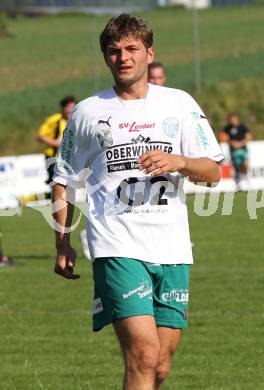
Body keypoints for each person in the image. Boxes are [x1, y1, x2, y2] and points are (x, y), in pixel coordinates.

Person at [52, 14, 223, 389]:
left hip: (172, 248)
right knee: (143, 355)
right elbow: (63, 179)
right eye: (114, 51)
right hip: (117, 245)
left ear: (149, 52)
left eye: (131, 49)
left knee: (160, 364)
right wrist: (62, 241)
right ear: (105, 58)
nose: (123, 58)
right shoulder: (87, 111)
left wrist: (179, 162)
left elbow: (213, 173)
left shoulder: (179, 103)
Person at [37, 95, 76, 185]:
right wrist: (55, 143)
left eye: (73, 107)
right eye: (68, 107)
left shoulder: (76, 120)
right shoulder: (55, 119)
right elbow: (40, 136)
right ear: (63, 108)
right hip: (53, 157)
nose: (70, 110)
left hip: (71, 158)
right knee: (56, 183)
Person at [222, 112, 252, 185]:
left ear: (237, 119)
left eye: (234, 119)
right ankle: (238, 183)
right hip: (233, 151)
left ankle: (245, 176)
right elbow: (224, 138)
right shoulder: (227, 128)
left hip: (243, 149)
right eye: (231, 120)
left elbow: (249, 137)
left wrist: (240, 143)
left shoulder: (243, 127)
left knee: (245, 164)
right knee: (237, 167)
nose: (232, 121)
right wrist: (232, 143)